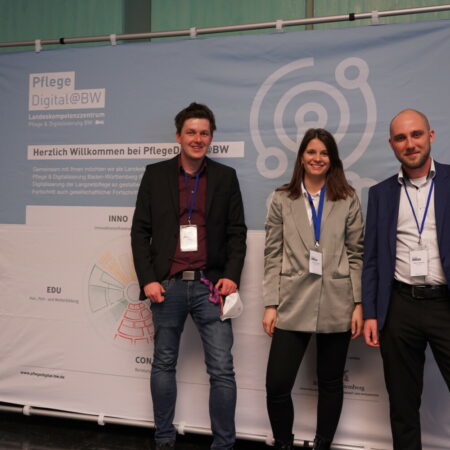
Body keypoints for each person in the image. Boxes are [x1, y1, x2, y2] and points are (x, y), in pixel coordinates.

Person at [131, 102, 247, 450]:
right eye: (191, 132)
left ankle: (224, 445)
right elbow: (140, 232)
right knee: (164, 364)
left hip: (211, 287)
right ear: (178, 136)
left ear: (212, 137)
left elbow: (236, 233)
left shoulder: (225, 177)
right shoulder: (155, 174)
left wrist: (231, 275)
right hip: (166, 287)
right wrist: (148, 279)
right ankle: (163, 439)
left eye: (204, 133)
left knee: (222, 369)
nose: (198, 139)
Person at [262, 128, 364, 450]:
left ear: (331, 159)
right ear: (301, 158)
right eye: (311, 152)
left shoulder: (347, 198)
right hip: (292, 301)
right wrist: (270, 303)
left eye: (324, 153)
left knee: (331, 383)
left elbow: (357, 253)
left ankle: (323, 444)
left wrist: (358, 303)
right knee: (277, 384)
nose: (317, 158)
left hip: (338, 300)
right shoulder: (282, 198)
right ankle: (283, 443)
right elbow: (272, 253)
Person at [362, 109, 450, 450]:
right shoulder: (381, 194)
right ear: (391, 144)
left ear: (431, 136)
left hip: (445, 305)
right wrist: (371, 312)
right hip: (399, 309)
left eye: (416, 135)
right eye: (401, 138)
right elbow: (370, 260)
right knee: (402, 405)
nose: (409, 144)